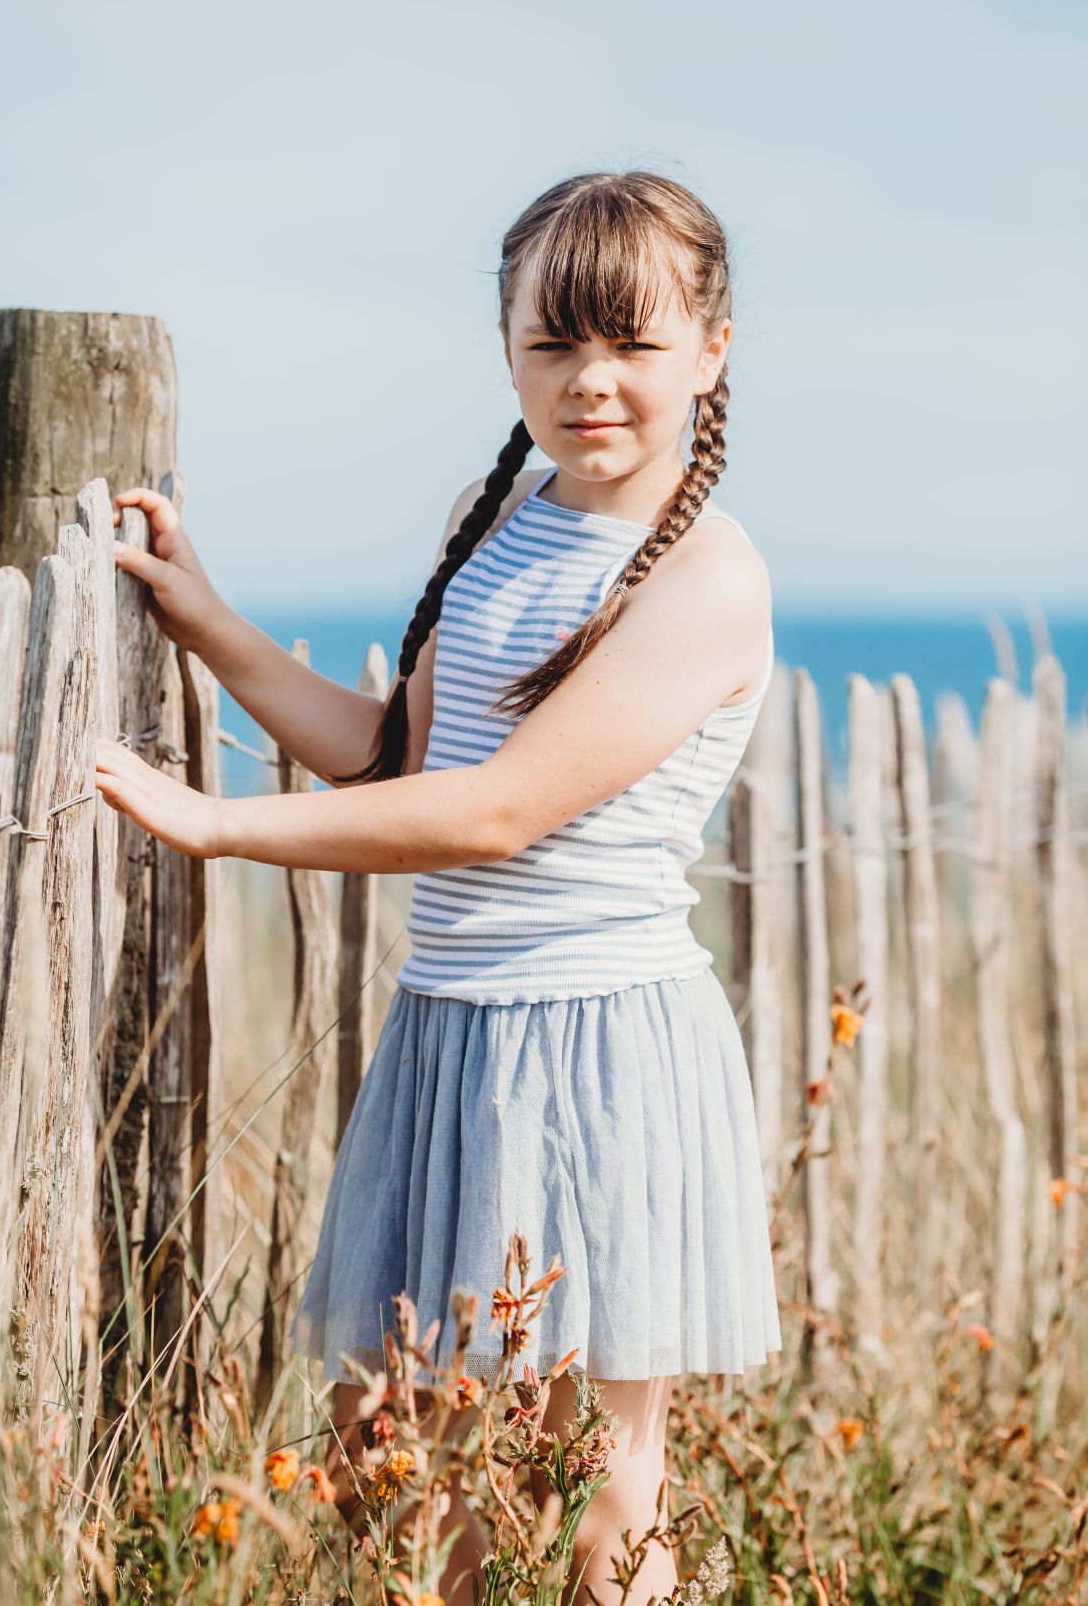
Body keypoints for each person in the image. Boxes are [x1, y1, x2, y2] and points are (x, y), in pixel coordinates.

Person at [96, 169, 783, 1605]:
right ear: (506, 347)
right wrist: (211, 623)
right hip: (450, 1029)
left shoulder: (709, 578)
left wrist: (218, 827)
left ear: (712, 350)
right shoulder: (492, 512)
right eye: (553, 341)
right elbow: (398, 757)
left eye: (635, 343)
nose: (591, 380)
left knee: (588, 1484)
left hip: (593, 1045)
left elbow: (494, 812)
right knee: (393, 1456)